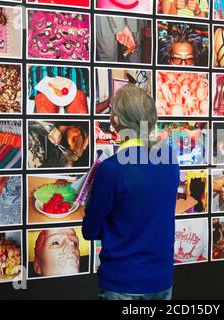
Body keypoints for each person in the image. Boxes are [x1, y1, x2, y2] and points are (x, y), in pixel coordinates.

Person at [83, 84, 180, 300]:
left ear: (116, 120)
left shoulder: (111, 169)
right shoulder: (170, 159)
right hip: (161, 279)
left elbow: (90, 231)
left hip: (123, 281)